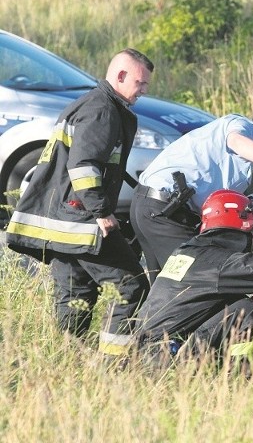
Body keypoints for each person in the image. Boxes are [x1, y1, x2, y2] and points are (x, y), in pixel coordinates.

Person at [6, 48, 153, 356]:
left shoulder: (92, 104)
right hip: (80, 220)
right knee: (132, 286)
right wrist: (100, 211)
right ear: (121, 76)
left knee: (76, 293)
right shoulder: (102, 110)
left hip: (62, 221)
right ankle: (113, 364)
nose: (144, 90)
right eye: (140, 83)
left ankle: (66, 359)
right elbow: (84, 165)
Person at [130, 100, 253, 283]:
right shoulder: (243, 126)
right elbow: (236, 141)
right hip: (163, 210)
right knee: (193, 281)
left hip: (153, 206)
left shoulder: (242, 159)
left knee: (164, 285)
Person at [135, 189, 253, 364]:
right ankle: (248, 380)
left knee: (238, 303)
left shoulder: (193, 252)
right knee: (245, 309)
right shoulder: (218, 262)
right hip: (166, 358)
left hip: (149, 354)